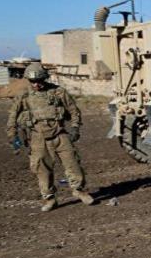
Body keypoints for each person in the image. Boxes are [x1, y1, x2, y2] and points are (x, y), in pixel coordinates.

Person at [7, 64, 95, 212]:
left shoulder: (58, 92)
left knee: (73, 163)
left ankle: (79, 191)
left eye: (39, 80)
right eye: (32, 81)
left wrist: (74, 127)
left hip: (60, 134)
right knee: (42, 169)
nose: (36, 84)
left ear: (45, 78)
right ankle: (49, 198)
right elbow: (12, 117)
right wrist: (12, 136)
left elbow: (74, 111)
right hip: (37, 137)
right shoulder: (23, 96)